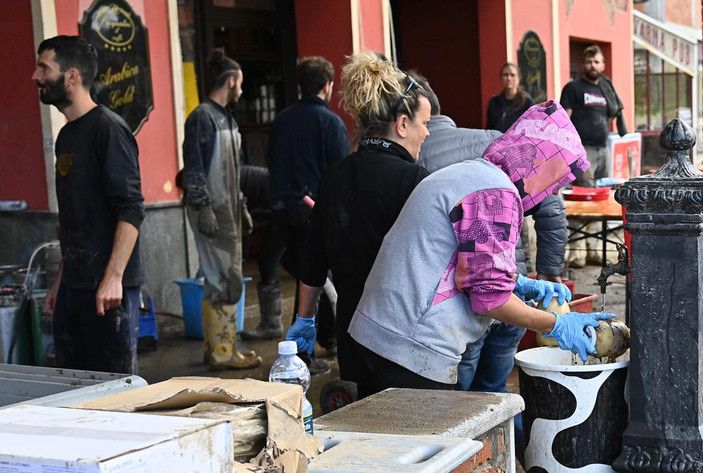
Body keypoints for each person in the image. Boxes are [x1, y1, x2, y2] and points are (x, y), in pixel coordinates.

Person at [347, 101, 613, 393]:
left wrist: (518, 283)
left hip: (377, 334)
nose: (554, 190)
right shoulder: (495, 193)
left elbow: (460, 257)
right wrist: (556, 325)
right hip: (408, 345)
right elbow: (491, 299)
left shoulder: (474, 173)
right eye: (557, 179)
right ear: (541, 164)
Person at [415, 74, 568, 437]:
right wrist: (549, 272)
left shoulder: (416, 157)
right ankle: (509, 458)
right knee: (496, 392)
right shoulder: (494, 141)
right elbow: (550, 209)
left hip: (465, 303)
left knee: (463, 405)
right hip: (506, 288)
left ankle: (480, 461)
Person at [285, 53, 430, 398]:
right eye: (424, 123)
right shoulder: (414, 180)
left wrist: (304, 319)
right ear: (402, 124)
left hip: (353, 333)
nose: (427, 132)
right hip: (404, 335)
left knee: (369, 418)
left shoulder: (334, 176)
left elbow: (313, 262)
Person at [34, 36, 144, 374]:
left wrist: (114, 277)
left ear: (71, 76)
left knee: (114, 392)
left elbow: (131, 208)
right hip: (73, 288)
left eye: (44, 68)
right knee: (73, 388)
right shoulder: (66, 135)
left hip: (108, 292)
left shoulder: (108, 129)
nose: (36, 77)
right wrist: (61, 282)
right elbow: (75, 216)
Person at [245, 57, 349, 370]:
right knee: (312, 282)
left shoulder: (281, 121)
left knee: (309, 278)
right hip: (314, 214)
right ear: (327, 86)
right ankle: (301, 357)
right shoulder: (331, 123)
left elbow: (272, 161)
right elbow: (340, 174)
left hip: (281, 212)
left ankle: (327, 338)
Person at [181, 49, 259, 370]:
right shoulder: (202, 118)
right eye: (240, 82)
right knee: (221, 279)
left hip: (228, 208)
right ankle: (223, 352)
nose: (242, 89)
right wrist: (203, 207)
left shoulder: (226, 117)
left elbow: (233, 170)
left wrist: (241, 205)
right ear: (230, 81)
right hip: (213, 211)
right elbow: (194, 168)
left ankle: (220, 347)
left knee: (228, 277)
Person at [558, 45, 627, 186]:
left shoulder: (606, 89)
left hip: (604, 149)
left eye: (596, 62)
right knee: (586, 191)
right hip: (583, 151)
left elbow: (611, 114)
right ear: (583, 65)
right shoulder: (573, 87)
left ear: (603, 65)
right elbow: (563, 121)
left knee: (606, 191)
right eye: (589, 62)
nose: (593, 65)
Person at [486, 62, 534, 133]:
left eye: (512, 75)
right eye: (505, 75)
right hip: (497, 139)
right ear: (501, 78)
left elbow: (531, 129)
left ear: (518, 78)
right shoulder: (494, 101)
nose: (509, 78)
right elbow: (489, 128)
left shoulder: (527, 102)